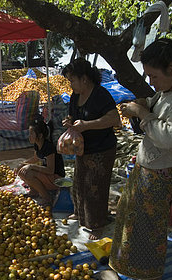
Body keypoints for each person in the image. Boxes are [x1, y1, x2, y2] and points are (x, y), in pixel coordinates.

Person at [108, 33, 172, 280]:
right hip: (145, 168)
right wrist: (143, 103)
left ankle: (152, 278)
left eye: (154, 76)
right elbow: (155, 107)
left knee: (148, 228)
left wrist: (142, 113)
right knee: (132, 220)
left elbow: (168, 137)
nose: (151, 82)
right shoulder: (169, 90)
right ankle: (128, 266)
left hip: (160, 173)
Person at [62, 58, 121, 240]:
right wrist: (69, 122)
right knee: (80, 182)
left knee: (95, 187)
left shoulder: (100, 94)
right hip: (83, 149)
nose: (70, 84)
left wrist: (88, 125)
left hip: (102, 149)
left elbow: (114, 119)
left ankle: (97, 224)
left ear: (84, 79)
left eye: (72, 80)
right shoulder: (75, 96)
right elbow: (73, 115)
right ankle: (80, 215)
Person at [15, 117, 65, 207]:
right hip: (49, 176)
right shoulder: (37, 145)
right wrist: (22, 164)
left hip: (56, 178)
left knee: (28, 173)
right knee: (20, 170)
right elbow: (35, 158)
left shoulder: (48, 147)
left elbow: (50, 170)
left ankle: (47, 197)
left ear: (40, 135)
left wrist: (31, 166)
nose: (29, 136)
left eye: (31, 133)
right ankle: (34, 191)